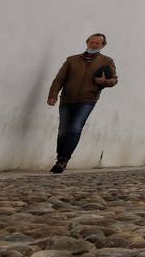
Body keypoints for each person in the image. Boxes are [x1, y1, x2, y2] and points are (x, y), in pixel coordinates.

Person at [46, 33, 119, 173]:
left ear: (103, 45)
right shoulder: (71, 60)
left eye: (98, 43)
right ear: (87, 42)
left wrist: (104, 82)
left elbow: (114, 80)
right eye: (92, 42)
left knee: (75, 128)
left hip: (88, 100)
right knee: (63, 130)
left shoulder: (107, 61)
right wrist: (52, 95)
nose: (94, 44)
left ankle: (63, 160)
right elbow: (59, 79)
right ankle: (60, 156)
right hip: (67, 98)